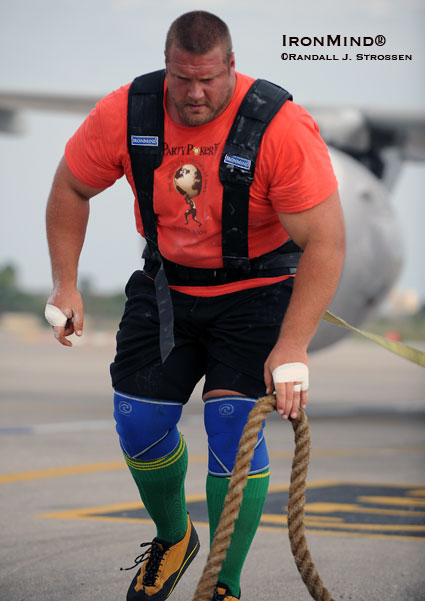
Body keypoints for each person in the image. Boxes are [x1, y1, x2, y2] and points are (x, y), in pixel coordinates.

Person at [44, 10, 345, 601]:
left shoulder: (278, 126)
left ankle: (223, 585)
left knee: (231, 429)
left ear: (232, 66)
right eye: (183, 79)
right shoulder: (126, 112)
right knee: (139, 423)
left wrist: (292, 345)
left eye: (208, 79)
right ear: (168, 66)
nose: (195, 93)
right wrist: (65, 283)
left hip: (257, 295)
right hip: (167, 291)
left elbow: (327, 242)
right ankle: (174, 538)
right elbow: (70, 187)